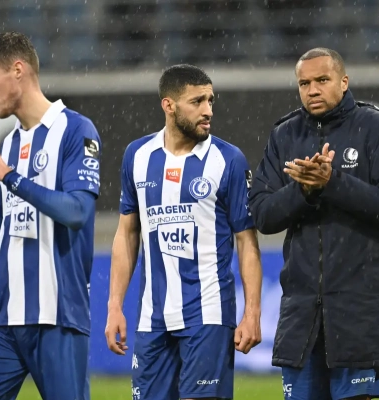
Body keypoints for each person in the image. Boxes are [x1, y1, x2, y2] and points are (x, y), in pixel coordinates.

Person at [249, 47, 379, 400]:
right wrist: (303, 191)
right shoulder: (284, 135)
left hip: (361, 313)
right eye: (304, 83)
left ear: (343, 81)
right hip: (301, 316)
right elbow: (262, 215)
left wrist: (332, 182)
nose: (312, 90)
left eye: (322, 80)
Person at [0, 31, 101, 400]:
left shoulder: (76, 130)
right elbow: (6, 232)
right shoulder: (9, 144)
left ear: (17, 70)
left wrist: (9, 176)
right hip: (2, 322)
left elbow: (77, 212)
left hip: (57, 317)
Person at [104, 64, 263, 400]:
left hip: (208, 315)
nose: (208, 111)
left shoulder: (228, 160)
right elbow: (127, 233)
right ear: (169, 105)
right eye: (197, 101)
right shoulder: (137, 156)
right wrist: (114, 305)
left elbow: (247, 242)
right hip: (152, 318)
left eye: (210, 100)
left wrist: (252, 313)